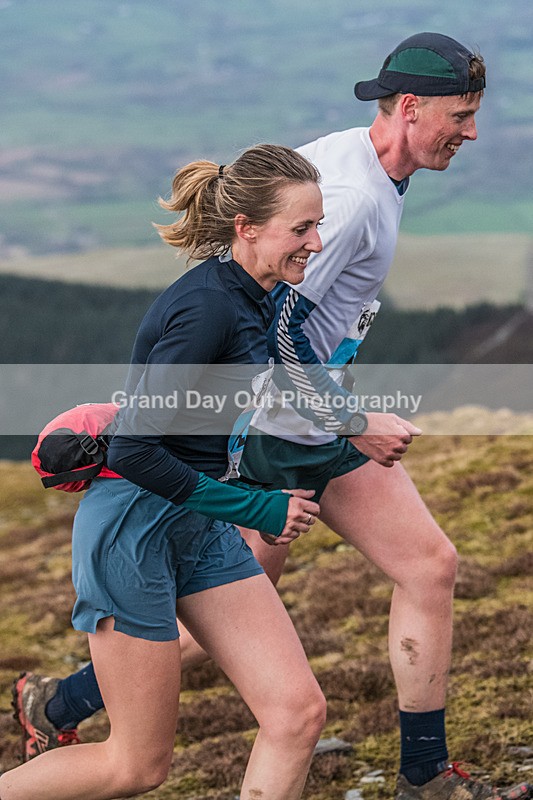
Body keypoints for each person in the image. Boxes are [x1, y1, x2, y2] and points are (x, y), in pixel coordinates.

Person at [12, 32, 532, 800]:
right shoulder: (337, 210)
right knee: (145, 754)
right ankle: (68, 700)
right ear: (410, 107)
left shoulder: (352, 179)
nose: (473, 131)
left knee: (334, 654)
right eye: (461, 114)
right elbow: (270, 332)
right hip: (242, 457)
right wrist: (344, 425)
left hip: (261, 455)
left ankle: (420, 769)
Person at [1, 143, 327, 800]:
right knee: (135, 767)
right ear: (247, 228)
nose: (315, 243)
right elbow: (134, 450)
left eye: (317, 225)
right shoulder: (206, 306)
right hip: (133, 528)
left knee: (297, 714)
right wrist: (257, 510)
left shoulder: (261, 296)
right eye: (301, 229)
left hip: (198, 523)